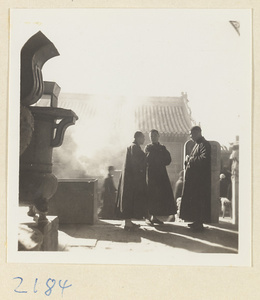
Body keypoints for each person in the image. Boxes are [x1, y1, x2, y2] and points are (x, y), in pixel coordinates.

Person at [180, 126, 211, 231]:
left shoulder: (204, 144)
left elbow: (204, 159)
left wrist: (190, 158)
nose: (190, 136)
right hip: (195, 179)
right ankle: (196, 221)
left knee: (199, 201)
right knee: (195, 201)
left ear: (198, 133)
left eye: (192, 134)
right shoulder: (197, 144)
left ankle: (199, 223)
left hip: (200, 180)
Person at [115, 131, 147, 231]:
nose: (144, 140)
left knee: (129, 200)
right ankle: (127, 224)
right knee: (129, 200)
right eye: (143, 138)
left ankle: (128, 222)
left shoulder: (132, 146)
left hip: (129, 178)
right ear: (138, 138)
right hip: (131, 179)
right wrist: (147, 156)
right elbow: (138, 162)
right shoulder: (134, 147)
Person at [144, 129, 177, 225]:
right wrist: (158, 158)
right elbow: (147, 159)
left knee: (159, 197)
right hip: (151, 175)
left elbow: (168, 160)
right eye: (151, 136)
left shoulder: (162, 148)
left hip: (161, 175)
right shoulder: (148, 147)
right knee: (151, 195)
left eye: (155, 135)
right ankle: (148, 217)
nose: (153, 137)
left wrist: (157, 158)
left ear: (158, 136)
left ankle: (155, 217)